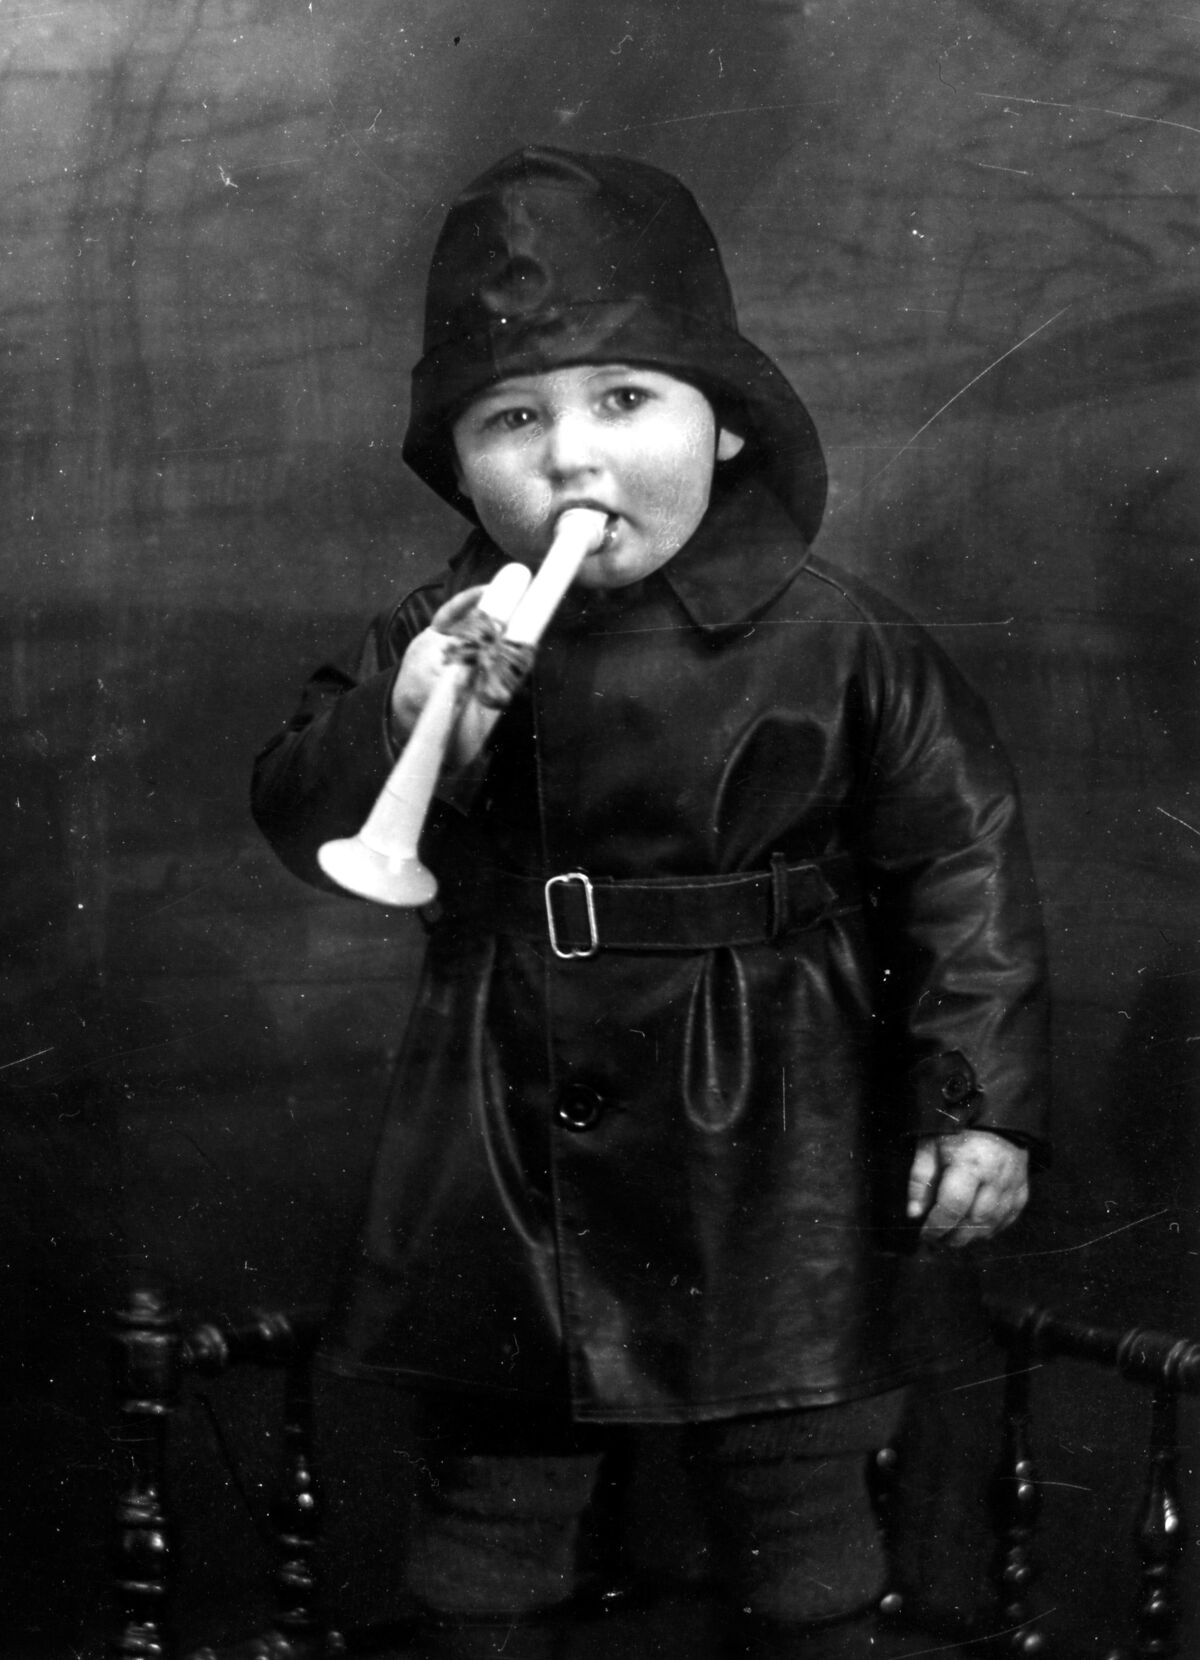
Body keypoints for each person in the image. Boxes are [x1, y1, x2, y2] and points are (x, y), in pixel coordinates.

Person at [251, 147, 1050, 1659]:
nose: (572, 460)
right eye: (513, 419)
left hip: (783, 1114)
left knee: (799, 1488)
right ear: (460, 465)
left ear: (726, 422)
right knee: (495, 1495)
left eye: (625, 400)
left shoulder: (845, 638)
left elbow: (962, 865)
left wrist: (978, 1106)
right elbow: (302, 815)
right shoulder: (438, 632)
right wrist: (405, 717)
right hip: (507, 1108)